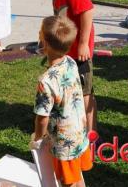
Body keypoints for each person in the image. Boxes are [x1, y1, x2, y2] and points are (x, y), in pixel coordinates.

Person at [40, 0, 97, 134]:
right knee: (72, 88)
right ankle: (76, 127)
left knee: (85, 92)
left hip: (78, 46)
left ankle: (91, 135)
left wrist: (82, 44)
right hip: (67, 43)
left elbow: (87, 11)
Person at [33, 16, 92, 187]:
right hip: (80, 133)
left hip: (63, 143)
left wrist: (38, 138)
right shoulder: (71, 63)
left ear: (44, 43)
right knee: (76, 176)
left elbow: (42, 117)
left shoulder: (46, 81)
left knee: (68, 183)